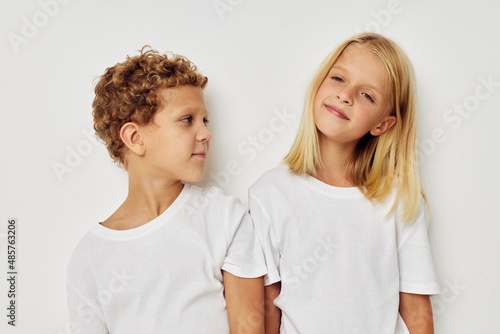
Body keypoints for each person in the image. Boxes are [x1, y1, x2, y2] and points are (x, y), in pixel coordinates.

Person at [249, 33, 440, 334]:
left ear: (382, 124)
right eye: (338, 78)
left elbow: (416, 312)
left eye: (367, 95)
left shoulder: (399, 200)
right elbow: (269, 305)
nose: (345, 95)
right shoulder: (270, 194)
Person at [66, 47, 266, 334]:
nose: (206, 133)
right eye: (187, 119)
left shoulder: (225, 217)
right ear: (135, 138)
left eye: (205, 120)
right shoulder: (90, 256)